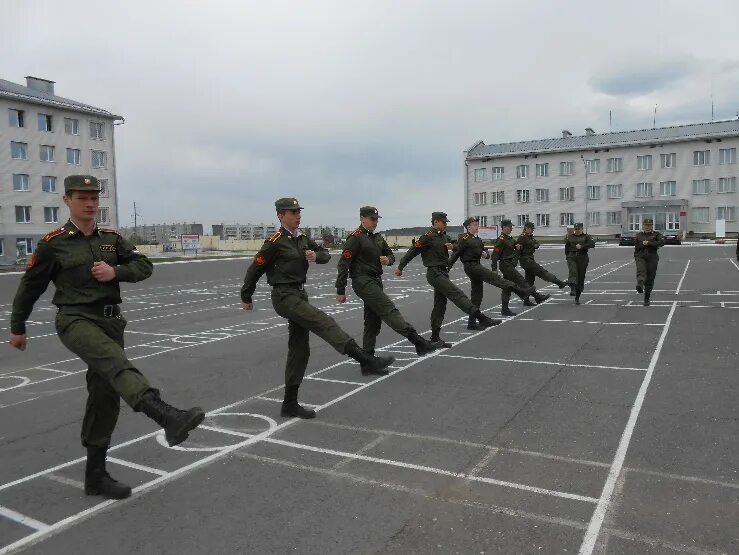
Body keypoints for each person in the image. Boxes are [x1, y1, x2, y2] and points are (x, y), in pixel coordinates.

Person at [9, 175, 205, 500]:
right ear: (67, 200)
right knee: (116, 364)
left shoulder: (112, 238)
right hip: (75, 320)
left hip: (111, 323)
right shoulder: (53, 243)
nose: (90, 204)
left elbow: (144, 265)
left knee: (105, 396)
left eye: (94, 198)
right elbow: (30, 287)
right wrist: (18, 327)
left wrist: (117, 273)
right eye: (82, 198)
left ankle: (95, 476)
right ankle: (165, 414)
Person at [241, 198, 395, 420]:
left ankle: (289, 404)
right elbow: (256, 267)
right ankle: (365, 359)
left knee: (299, 348)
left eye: (298, 212)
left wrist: (316, 255)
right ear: (280, 216)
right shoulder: (275, 241)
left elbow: (324, 254)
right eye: (292, 212)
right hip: (284, 295)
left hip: (299, 293)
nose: (298, 215)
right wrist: (246, 295)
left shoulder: (301, 239)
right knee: (324, 322)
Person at [335, 206, 436, 356]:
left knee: (373, 321)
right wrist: (340, 290)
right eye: (372, 219)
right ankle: (418, 342)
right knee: (388, 309)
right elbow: (343, 263)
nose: (375, 222)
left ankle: (367, 359)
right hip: (363, 281)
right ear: (362, 219)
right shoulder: (355, 238)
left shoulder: (377, 237)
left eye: (376, 219)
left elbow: (391, 255)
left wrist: (387, 259)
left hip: (375, 280)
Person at [395, 211, 499, 347]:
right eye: (443, 222)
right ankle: (481, 318)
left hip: (443, 272)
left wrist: (455, 248)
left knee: (440, 305)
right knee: (456, 293)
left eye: (446, 222)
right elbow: (413, 251)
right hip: (434, 273)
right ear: (436, 222)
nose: (445, 225)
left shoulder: (443, 237)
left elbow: (457, 247)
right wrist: (400, 267)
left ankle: (435, 338)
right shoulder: (427, 237)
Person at [449, 217, 532, 329]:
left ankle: (472, 323)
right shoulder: (464, 238)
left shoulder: (477, 238)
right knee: (495, 278)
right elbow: (456, 253)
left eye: (477, 224)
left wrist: (485, 254)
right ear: (468, 227)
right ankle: (521, 291)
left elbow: (487, 253)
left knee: (477, 295)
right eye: (474, 224)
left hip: (476, 265)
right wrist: (446, 268)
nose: (477, 226)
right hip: (471, 266)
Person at [490, 220, 550, 316]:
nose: (511, 228)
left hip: (510, 264)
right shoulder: (501, 239)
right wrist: (494, 269)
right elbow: (494, 255)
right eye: (510, 227)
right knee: (521, 280)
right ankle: (537, 296)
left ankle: (504, 309)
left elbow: (515, 244)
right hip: (505, 265)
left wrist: (517, 246)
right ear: (504, 227)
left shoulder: (509, 238)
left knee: (507, 287)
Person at [516, 222, 568, 293]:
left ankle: (526, 299)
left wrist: (535, 245)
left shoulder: (529, 236)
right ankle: (559, 283)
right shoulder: (522, 237)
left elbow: (537, 244)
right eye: (531, 229)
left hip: (530, 258)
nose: (532, 230)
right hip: (525, 260)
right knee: (541, 271)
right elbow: (518, 250)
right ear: (527, 228)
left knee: (530, 279)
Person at [634, 218, 665, 306]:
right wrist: (636, 255)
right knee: (641, 270)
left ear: (652, 226)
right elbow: (636, 247)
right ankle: (640, 284)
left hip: (652, 257)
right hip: (641, 256)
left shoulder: (656, 234)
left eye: (649, 225)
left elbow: (662, 242)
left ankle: (646, 298)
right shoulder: (639, 235)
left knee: (650, 278)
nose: (647, 227)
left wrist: (649, 243)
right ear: (643, 226)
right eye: (646, 225)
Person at [564, 222, 596, 304]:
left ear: (582, 229)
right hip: (572, 257)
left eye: (578, 229)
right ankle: (572, 289)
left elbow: (592, 244)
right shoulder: (570, 237)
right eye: (576, 229)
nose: (577, 231)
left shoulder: (586, 237)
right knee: (573, 271)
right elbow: (566, 248)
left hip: (582, 257)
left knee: (581, 277)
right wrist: (568, 256)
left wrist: (582, 246)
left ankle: (577, 296)